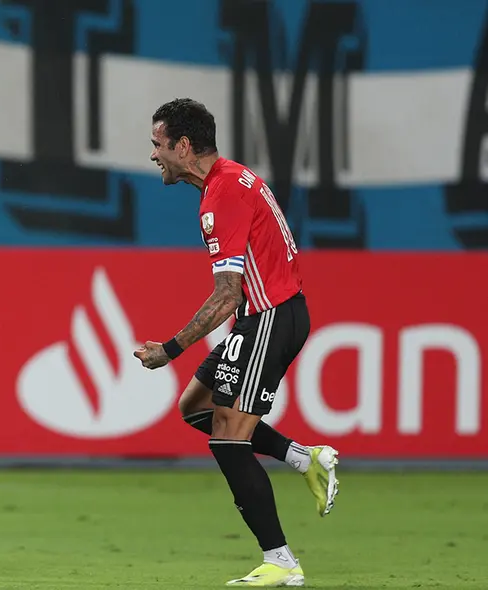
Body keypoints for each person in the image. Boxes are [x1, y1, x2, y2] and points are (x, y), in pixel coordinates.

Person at [134, 98, 339, 587]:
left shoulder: (221, 197)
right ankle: (303, 458)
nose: (153, 155)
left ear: (184, 146)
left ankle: (281, 561)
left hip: (269, 319)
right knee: (195, 407)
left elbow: (226, 295)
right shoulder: (231, 177)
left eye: (158, 145)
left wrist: (170, 349)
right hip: (267, 317)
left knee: (228, 436)